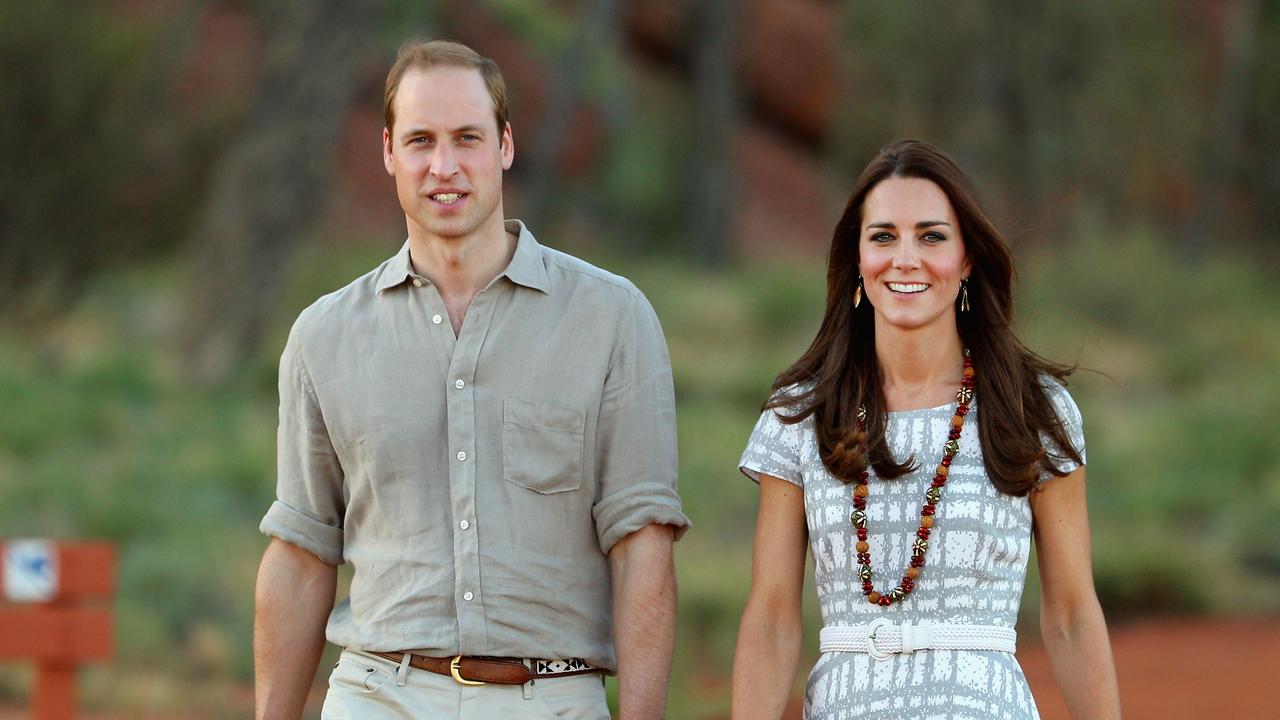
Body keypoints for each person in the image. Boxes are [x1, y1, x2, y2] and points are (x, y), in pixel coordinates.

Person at [253, 39, 689, 720]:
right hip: (376, 693)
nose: (444, 166)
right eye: (422, 141)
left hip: (552, 699)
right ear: (389, 151)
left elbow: (642, 546)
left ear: (506, 146)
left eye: (467, 138)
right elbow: (302, 552)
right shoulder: (323, 335)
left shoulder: (611, 318)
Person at [730, 140, 1121, 719]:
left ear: (966, 260)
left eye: (932, 236)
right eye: (883, 236)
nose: (905, 258)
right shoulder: (799, 412)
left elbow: (1070, 615)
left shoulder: (1033, 407)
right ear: (858, 259)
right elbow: (771, 616)